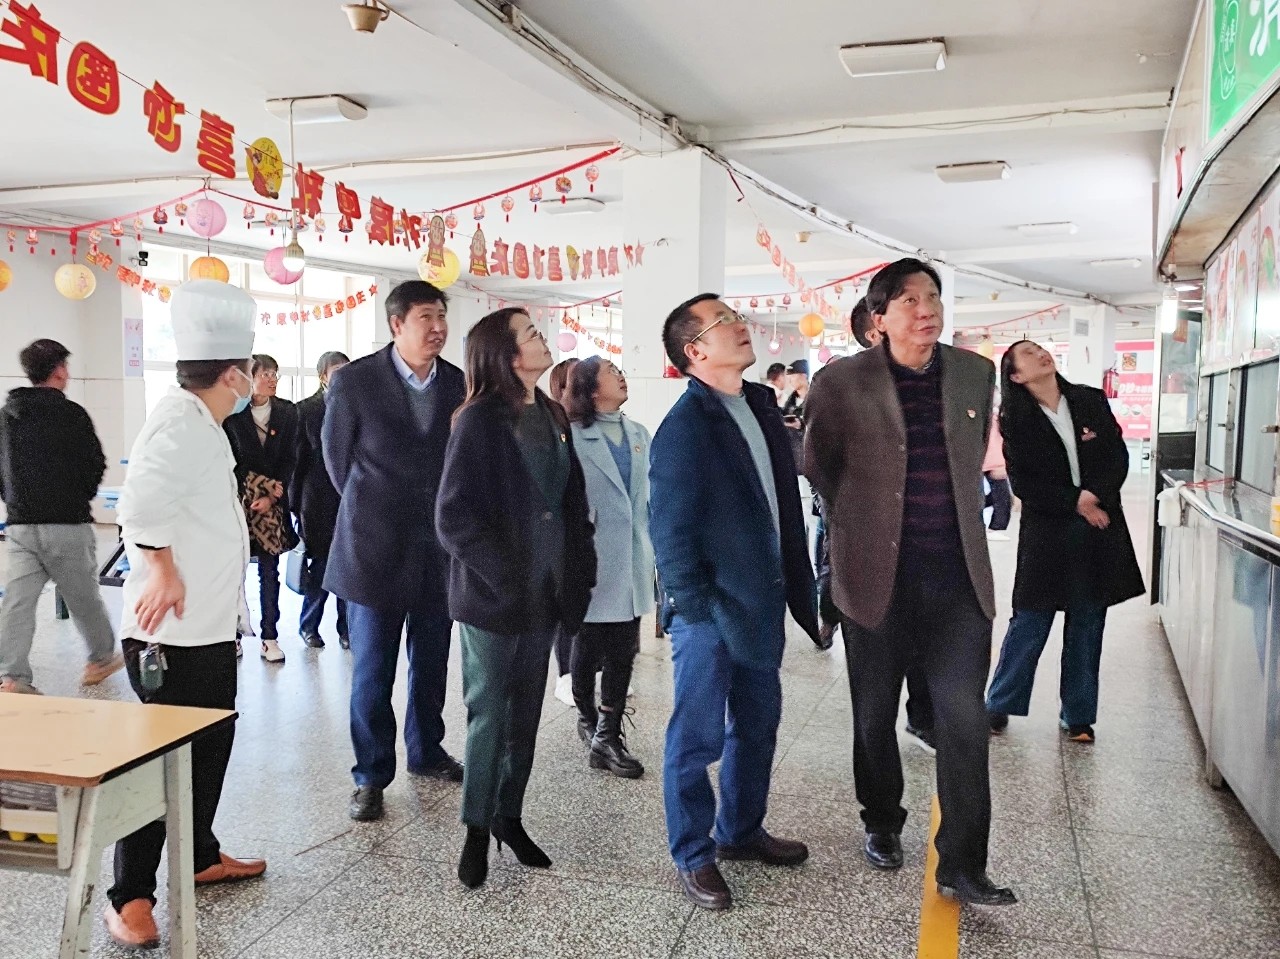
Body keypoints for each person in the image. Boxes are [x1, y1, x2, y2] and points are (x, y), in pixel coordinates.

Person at [805, 259, 1015, 906]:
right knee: (874, 713)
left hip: (957, 580)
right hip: (875, 579)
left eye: (933, 298)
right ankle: (881, 819)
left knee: (963, 719)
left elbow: (973, 455)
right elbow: (820, 468)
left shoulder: (974, 373)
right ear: (879, 318)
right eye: (909, 300)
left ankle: (963, 863)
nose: (926, 310)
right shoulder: (841, 382)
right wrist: (860, 531)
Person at [104, 281, 266, 948]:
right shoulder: (178, 421)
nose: (253, 380)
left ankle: (199, 855)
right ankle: (130, 896)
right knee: (159, 764)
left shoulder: (205, 423)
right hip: (169, 636)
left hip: (208, 629)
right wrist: (164, 568)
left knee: (209, 748)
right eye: (249, 369)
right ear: (232, 374)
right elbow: (139, 506)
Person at [651, 293, 819, 912]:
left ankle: (741, 831)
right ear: (695, 351)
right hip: (710, 611)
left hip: (760, 597)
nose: (741, 327)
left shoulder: (758, 404)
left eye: (736, 317)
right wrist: (695, 608)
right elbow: (669, 530)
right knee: (696, 738)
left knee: (757, 723)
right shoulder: (685, 426)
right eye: (725, 322)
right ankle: (693, 853)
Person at [436, 308, 596, 889]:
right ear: (505, 354)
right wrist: (504, 574)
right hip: (494, 596)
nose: (542, 338)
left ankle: (509, 815)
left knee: (526, 714)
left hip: (545, 593)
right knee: (490, 713)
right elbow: (453, 517)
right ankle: (476, 827)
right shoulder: (479, 419)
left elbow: (570, 501)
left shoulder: (551, 413)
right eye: (531, 333)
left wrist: (579, 571)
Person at [324, 280, 467, 823]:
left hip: (438, 551)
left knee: (431, 662)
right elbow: (338, 463)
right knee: (372, 670)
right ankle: (370, 775)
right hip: (372, 549)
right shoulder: (355, 381)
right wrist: (376, 508)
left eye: (441, 317)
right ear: (396, 324)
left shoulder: (458, 384)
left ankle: (427, 750)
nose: (438, 328)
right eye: (426, 317)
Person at [986, 340, 1144, 743]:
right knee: (1031, 619)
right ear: (1016, 376)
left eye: (1040, 348)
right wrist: (1075, 501)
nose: (1041, 354)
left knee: (1088, 621)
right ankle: (999, 703)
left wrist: (1094, 496)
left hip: (1097, 524)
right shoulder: (1016, 419)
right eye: (1028, 353)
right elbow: (1024, 483)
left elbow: (1116, 457)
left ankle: (1078, 715)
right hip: (1048, 531)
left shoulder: (1088, 400)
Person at [0, 339, 121, 694]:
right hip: (67, 523)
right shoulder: (71, 415)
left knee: (17, 603)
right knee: (83, 597)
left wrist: (13, 501)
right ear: (59, 371)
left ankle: (12, 677)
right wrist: (79, 497)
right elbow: (95, 463)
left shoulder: (6, 416)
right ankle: (100, 658)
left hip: (20, 525)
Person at [564, 357, 652, 777]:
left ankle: (608, 735)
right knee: (586, 647)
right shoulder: (571, 436)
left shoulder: (639, 434)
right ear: (591, 388)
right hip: (591, 554)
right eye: (611, 372)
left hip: (632, 554)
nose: (621, 376)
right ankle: (587, 719)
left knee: (623, 648)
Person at [223, 353, 298, 663]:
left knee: (269, 572)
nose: (271, 379)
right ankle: (234, 634)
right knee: (234, 572)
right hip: (239, 502)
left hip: (273, 507)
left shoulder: (288, 413)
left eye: (274, 373)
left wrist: (272, 494)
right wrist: (259, 487)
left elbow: (291, 457)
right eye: (264, 374)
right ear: (249, 379)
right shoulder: (232, 415)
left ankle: (270, 637)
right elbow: (231, 462)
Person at [291, 351, 350, 649]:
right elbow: (297, 462)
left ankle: (346, 629)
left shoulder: (356, 405)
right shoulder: (305, 410)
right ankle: (309, 626)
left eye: (345, 369)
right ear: (322, 376)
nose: (341, 374)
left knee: (348, 567)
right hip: (316, 500)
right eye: (335, 369)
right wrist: (295, 506)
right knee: (321, 567)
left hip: (348, 499)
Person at [547, 356, 581, 705]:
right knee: (566, 606)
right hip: (561, 532)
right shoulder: (554, 425)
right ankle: (566, 673)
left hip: (591, 530)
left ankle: (594, 669)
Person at [984, 413, 1013, 542]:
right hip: (993, 459)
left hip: (993, 458)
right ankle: (996, 528)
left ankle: (996, 527)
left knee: (1000, 497)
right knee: (1002, 497)